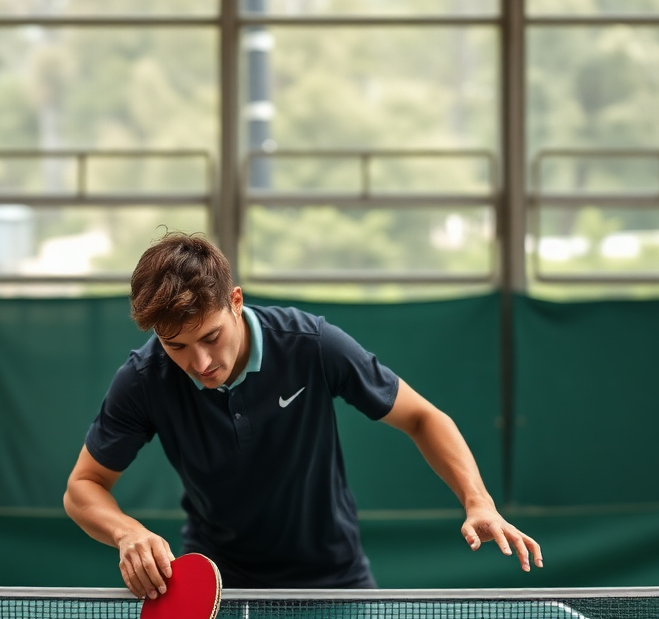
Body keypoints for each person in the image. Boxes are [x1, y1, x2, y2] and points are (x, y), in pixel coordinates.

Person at [64, 232, 542, 599]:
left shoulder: (311, 345)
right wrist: (128, 532)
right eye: (177, 347)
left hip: (335, 582)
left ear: (235, 302)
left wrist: (478, 502)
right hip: (214, 590)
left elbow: (423, 417)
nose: (201, 363)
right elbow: (83, 487)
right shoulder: (145, 379)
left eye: (210, 337)